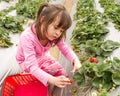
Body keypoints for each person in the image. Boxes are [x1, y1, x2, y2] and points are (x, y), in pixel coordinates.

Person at [16, 2, 81, 90]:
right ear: (43, 20)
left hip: (42, 57)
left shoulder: (52, 35)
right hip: (26, 63)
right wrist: (52, 79)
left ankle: (50, 88)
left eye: (61, 31)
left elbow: (65, 49)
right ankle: (39, 85)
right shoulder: (27, 38)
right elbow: (32, 66)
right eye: (56, 28)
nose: (58, 33)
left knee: (62, 74)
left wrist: (75, 60)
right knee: (46, 74)